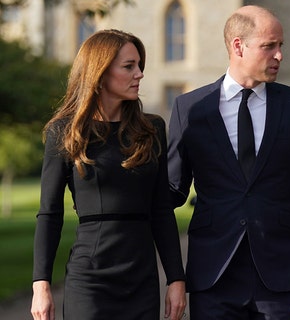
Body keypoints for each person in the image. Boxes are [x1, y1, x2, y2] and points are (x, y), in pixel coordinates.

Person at [166, 5, 290, 320]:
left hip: (283, 278)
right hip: (214, 276)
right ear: (238, 46)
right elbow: (172, 190)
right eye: (270, 46)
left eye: (281, 46)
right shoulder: (191, 108)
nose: (279, 55)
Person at [30, 29, 186, 320]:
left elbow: (162, 210)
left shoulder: (152, 130)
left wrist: (176, 279)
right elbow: (49, 213)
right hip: (89, 279)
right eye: (129, 66)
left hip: (142, 277)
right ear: (100, 73)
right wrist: (41, 285)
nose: (139, 74)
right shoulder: (64, 132)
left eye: (140, 65)